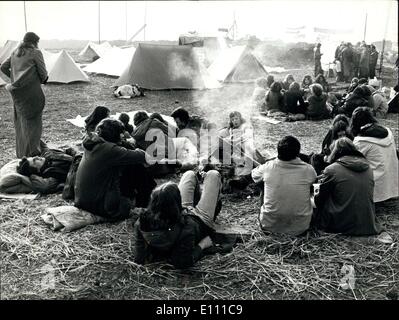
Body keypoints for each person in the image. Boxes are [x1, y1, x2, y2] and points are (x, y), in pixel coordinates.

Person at [133, 170, 222, 269]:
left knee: (189, 174)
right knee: (213, 175)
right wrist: (202, 245)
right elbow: (184, 262)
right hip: (200, 219)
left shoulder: (142, 222)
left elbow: (139, 257)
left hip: (179, 214)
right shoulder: (187, 228)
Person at [74, 119, 157, 221]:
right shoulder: (109, 150)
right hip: (103, 208)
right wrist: (129, 144)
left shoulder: (92, 143)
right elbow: (144, 157)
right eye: (120, 133)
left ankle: (146, 199)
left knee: (127, 164)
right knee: (135, 166)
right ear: (114, 134)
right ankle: (147, 203)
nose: (122, 135)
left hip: (83, 201)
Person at [314, 138, 382, 236]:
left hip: (341, 224)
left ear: (334, 152)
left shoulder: (331, 169)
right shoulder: (368, 167)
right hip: (367, 221)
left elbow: (320, 199)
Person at [252, 136, 317, 235]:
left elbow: (254, 175)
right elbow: (313, 182)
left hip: (269, 227)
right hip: (300, 228)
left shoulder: (268, 167)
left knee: (262, 184)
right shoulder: (309, 170)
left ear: (278, 152)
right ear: (298, 153)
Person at [0, 32, 48, 158]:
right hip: (31, 93)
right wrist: (39, 79)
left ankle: (22, 154)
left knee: (21, 124)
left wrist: (15, 79)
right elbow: (43, 74)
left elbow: (3, 67)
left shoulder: (15, 52)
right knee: (34, 125)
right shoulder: (36, 52)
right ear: (35, 42)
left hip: (17, 93)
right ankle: (32, 154)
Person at [350, 107, 399, 203]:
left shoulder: (361, 141)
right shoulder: (387, 132)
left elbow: (353, 161)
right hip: (392, 179)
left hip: (376, 186)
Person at [132, 111, 178, 176]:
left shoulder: (135, 132)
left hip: (150, 161)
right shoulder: (154, 122)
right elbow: (174, 132)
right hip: (164, 156)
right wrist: (163, 121)